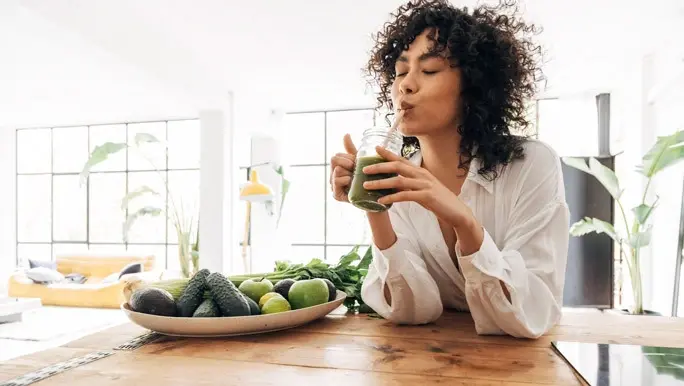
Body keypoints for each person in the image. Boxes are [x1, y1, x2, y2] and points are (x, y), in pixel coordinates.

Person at [329, 0, 570, 338]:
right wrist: (374, 205)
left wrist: (465, 222)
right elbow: (412, 311)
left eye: (428, 71)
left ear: (472, 84)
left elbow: (532, 312)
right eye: (400, 72)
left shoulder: (531, 165)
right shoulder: (397, 177)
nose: (406, 86)